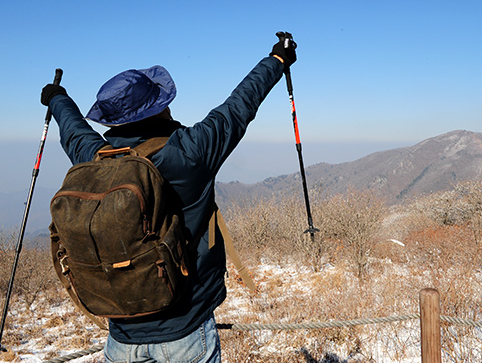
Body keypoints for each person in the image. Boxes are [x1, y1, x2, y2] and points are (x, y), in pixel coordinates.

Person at [40, 33, 297, 363]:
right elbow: (239, 105)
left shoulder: (96, 159)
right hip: (186, 327)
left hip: (122, 333)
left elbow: (73, 130)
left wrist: (56, 98)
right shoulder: (190, 152)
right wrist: (278, 59)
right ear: (158, 109)